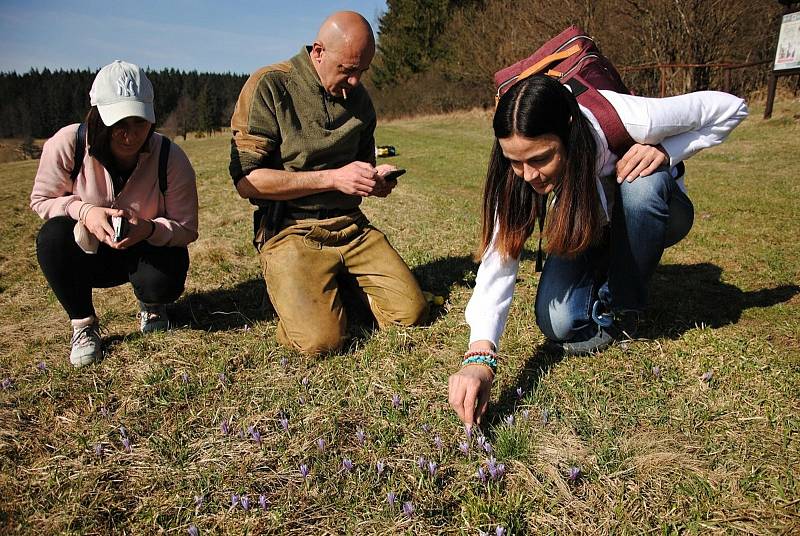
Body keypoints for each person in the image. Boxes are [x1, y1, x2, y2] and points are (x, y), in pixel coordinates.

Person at [448, 74, 747, 426]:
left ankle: (624, 304)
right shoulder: (518, 172)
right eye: (515, 161)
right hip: (592, 224)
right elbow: (500, 259)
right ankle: (605, 276)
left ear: (570, 129)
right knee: (559, 324)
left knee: (643, 184)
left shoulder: (633, 117)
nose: (528, 175)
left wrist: (666, 152)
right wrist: (480, 356)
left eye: (542, 158)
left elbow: (731, 107)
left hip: (658, 214)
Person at [229, 11, 428, 355]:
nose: (354, 82)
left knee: (411, 313)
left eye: (362, 71)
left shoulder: (360, 100)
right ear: (318, 52)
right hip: (291, 230)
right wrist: (333, 178)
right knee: (322, 342)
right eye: (348, 70)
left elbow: (361, 167)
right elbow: (248, 181)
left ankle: (332, 285)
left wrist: (374, 181)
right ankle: (303, 293)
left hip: (350, 227)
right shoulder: (271, 86)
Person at [30, 60, 199, 368]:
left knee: (171, 264)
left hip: (143, 252)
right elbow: (42, 200)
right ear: (97, 116)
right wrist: (85, 211)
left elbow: (187, 228)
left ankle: (153, 305)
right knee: (52, 237)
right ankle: (83, 324)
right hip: (87, 251)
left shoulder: (170, 157)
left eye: (139, 122)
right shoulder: (67, 144)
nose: (130, 135)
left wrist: (148, 228)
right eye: (119, 123)